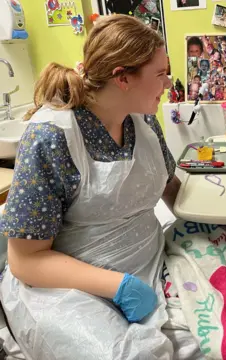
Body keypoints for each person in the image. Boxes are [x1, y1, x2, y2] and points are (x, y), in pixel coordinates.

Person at [0, 14, 199, 359]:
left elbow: (170, 185)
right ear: (123, 78)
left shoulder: (145, 120)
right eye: (160, 74)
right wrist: (118, 287)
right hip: (67, 286)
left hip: (146, 261)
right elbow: (24, 261)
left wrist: (218, 202)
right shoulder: (51, 137)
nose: (168, 84)